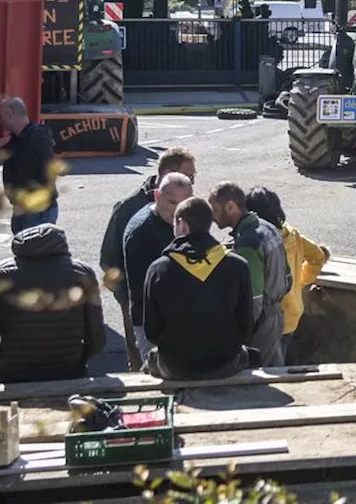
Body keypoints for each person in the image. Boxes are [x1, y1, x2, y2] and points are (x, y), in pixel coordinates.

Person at [99, 147, 196, 370]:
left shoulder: (183, 202)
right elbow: (108, 258)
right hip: (136, 297)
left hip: (173, 305)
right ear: (167, 172)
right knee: (141, 356)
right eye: (189, 175)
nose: (191, 181)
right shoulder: (129, 208)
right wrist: (126, 296)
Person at [0, 224, 105, 382]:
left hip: (13, 373)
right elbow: (96, 334)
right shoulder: (82, 273)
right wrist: (80, 361)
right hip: (68, 371)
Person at [142, 197, 254, 380]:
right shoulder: (238, 266)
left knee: (149, 361)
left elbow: (151, 331)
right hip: (225, 364)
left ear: (182, 224)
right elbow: (246, 326)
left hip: (175, 367)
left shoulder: (158, 269)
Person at [210, 182, 290, 367]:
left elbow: (253, 300)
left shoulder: (248, 242)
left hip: (260, 326)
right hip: (275, 316)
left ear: (230, 207)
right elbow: (288, 278)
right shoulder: (267, 228)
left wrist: (237, 336)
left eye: (215, 210)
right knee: (276, 371)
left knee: (257, 381)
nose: (212, 218)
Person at [245, 187, 330, 361]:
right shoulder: (292, 234)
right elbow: (318, 256)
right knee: (281, 354)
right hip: (293, 311)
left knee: (270, 363)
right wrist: (301, 281)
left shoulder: (260, 242)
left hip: (272, 317)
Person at [123, 172, 192, 361]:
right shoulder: (141, 233)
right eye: (171, 203)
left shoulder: (180, 221)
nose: (177, 210)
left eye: (183, 204)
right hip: (151, 323)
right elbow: (146, 290)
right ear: (157, 196)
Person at [0, 97, 58, 234]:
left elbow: (47, 175)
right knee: (25, 252)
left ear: (10, 115)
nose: (0, 120)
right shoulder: (18, 140)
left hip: (37, 212)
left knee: (36, 252)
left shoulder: (36, 138)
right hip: (24, 210)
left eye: (2, 116)